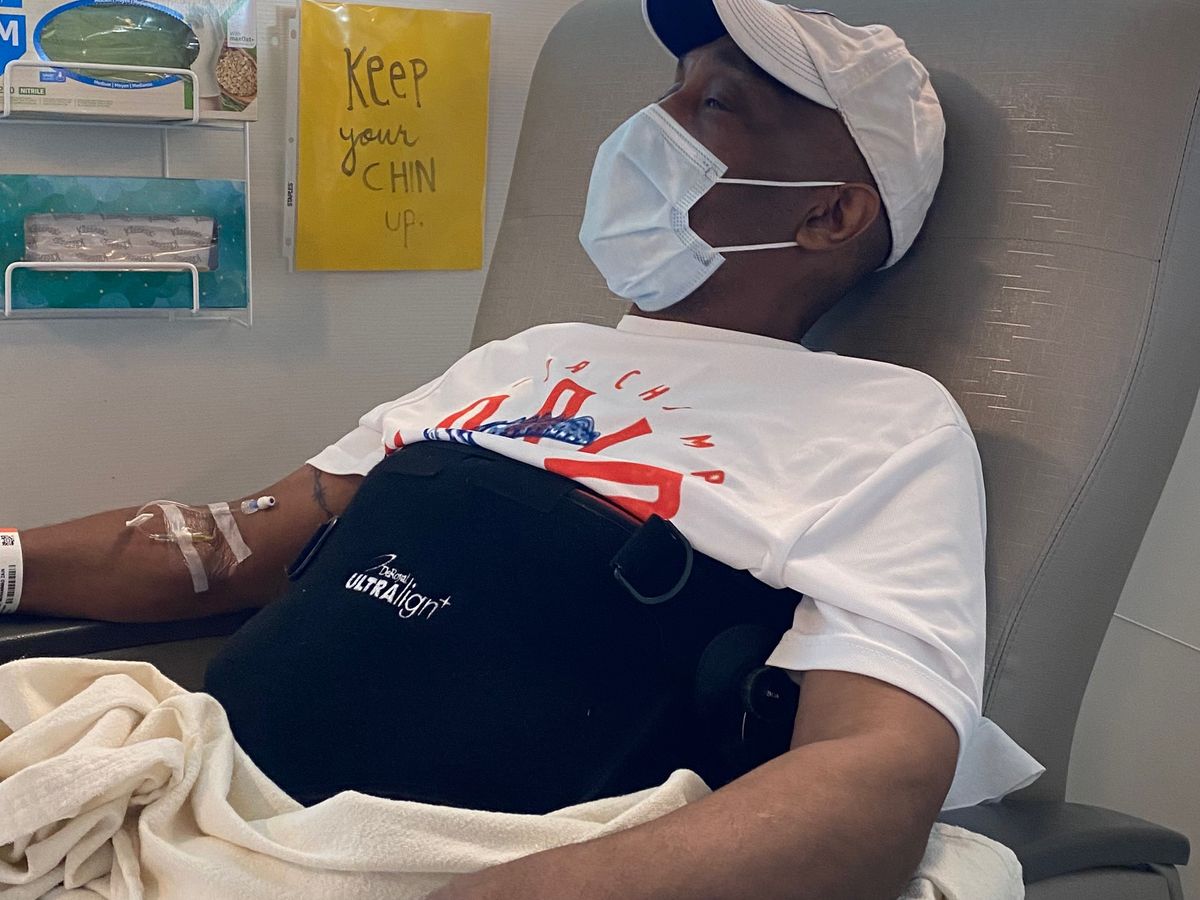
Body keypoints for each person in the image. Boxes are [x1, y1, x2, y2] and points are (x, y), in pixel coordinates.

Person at [6, 1, 1044, 897]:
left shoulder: (883, 423)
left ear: (830, 213)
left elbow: (873, 776)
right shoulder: (528, 357)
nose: (653, 123)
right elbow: (230, 544)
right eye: (672, 89)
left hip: (455, 866)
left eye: (716, 104)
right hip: (181, 798)